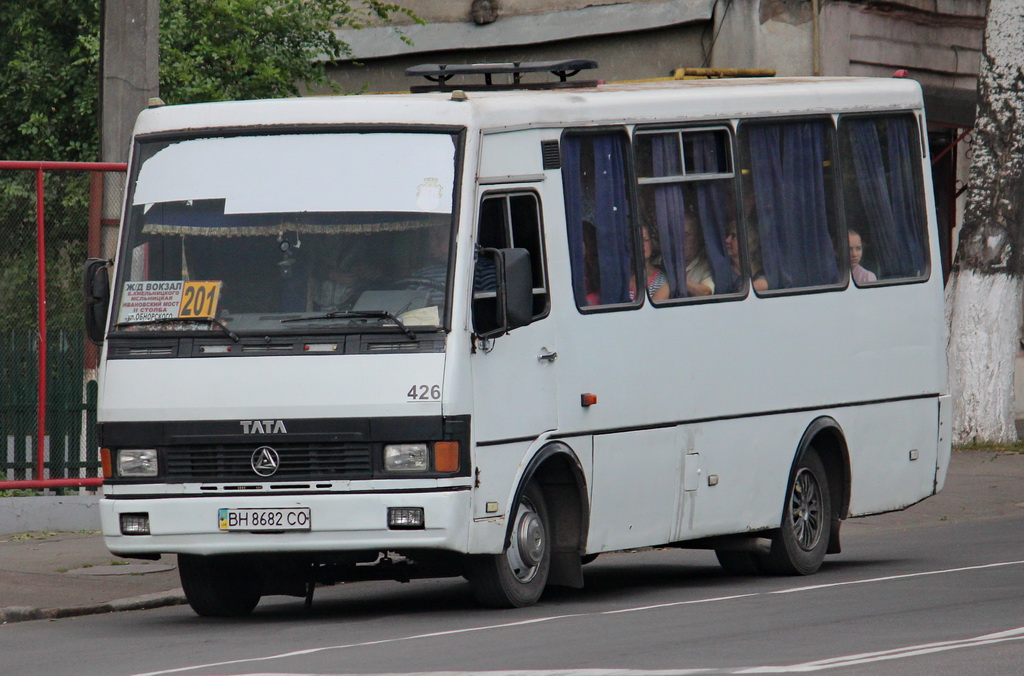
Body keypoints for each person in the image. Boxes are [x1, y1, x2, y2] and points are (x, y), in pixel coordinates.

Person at [726, 225, 768, 293]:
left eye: (733, 236)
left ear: (748, 242)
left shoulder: (763, 270)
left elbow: (765, 284)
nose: (727, 240)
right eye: (727, 235)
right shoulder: (724, 271)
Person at [632, 226, 670, 301]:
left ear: (652, 243)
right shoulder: (621, 279)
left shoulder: (663, 280)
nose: (642, 245)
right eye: (637, 240)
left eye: (645, 240)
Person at [683, 213, 715, 297]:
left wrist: (678, 280)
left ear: (697, 238)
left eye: (685, 235)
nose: (681, 240)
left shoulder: (706, 266)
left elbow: (706, 292)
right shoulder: (662, 261)